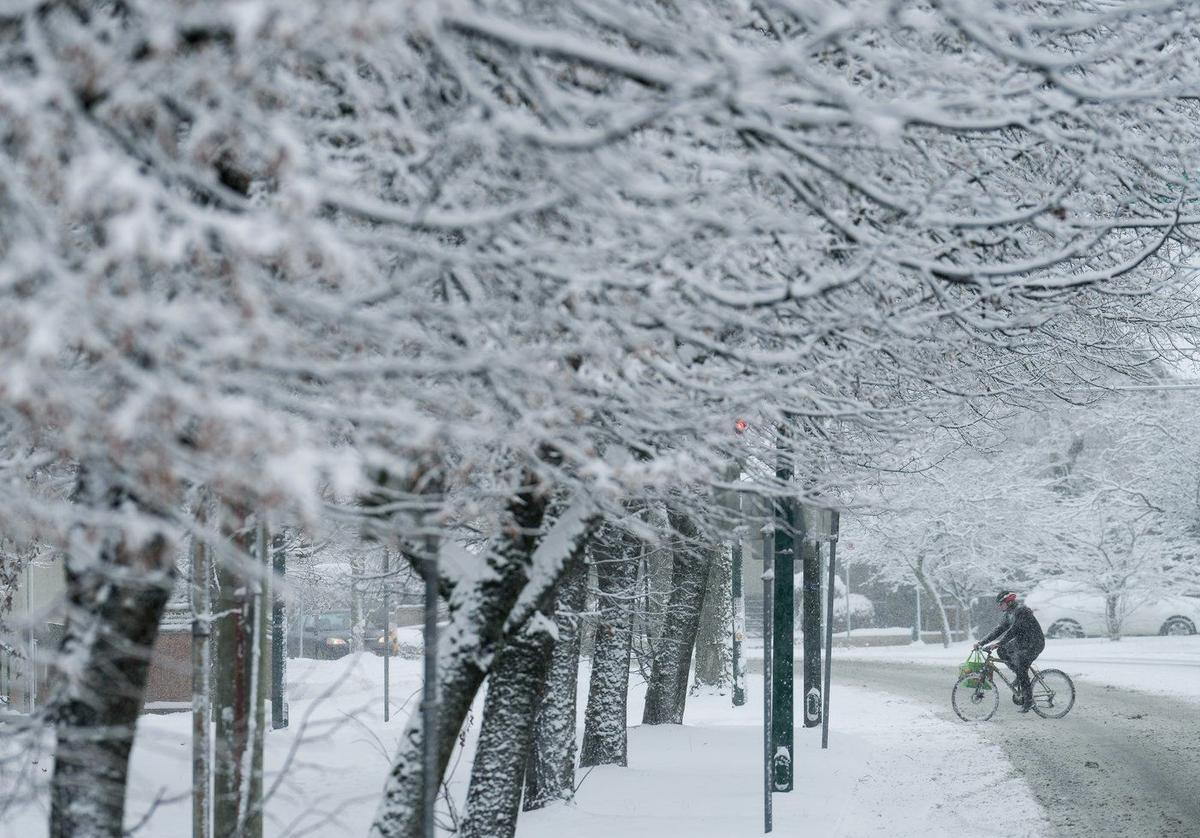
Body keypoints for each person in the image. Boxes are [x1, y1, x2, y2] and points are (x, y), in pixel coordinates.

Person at [975, 591, 1045, 713]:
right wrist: (981, 643)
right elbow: (999, 630)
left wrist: (1000, 642)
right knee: (1002, 651)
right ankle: (1019, 675)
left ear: (1009, 602)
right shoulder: (1008, 614)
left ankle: (1029, 701)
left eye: (1001, 603)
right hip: (1022, 642)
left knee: (1022, 666)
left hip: (1034, 643)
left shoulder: (1022, 611)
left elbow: (1014, 630)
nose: (999, 606)